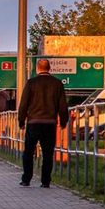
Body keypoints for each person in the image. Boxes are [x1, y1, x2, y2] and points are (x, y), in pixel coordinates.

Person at [18, 58, 69, 188]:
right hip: (50, 123)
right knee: (47, 153)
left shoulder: (31, 83)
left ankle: (26, 179)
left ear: (37, 68)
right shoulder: (57, 84)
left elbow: (23, 104)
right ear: (49, 68)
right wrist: (63, 121)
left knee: (28, 152)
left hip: (34, 122)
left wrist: (21, 121)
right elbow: (63, 105)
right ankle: (45, 181)